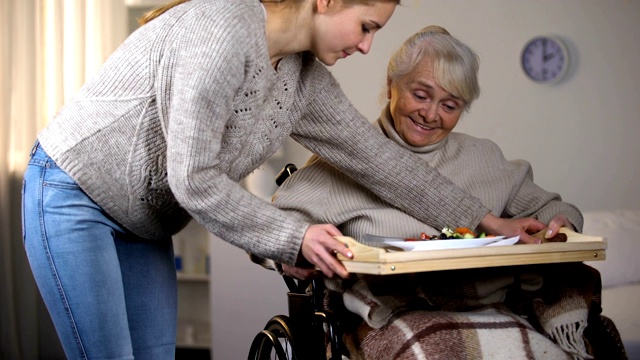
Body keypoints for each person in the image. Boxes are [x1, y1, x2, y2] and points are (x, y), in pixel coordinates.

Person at [21, 0, 552, 358]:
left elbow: (380, 161)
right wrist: (295, 236)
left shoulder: (303, 77)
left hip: (144, 225)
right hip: (73, 194)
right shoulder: (222, 29)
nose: (368, 46)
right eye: (367, 25)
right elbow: (194, 179)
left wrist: (486, 220)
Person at [268, 26, 624, 359]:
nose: (430, 114)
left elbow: (555, 210)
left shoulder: (484, 158)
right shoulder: (341, 161)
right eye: (420, 95)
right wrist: (294, 248)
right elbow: (276, 228)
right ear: (392, 86)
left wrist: (558, 224)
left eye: (449, 105)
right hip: (387, 313)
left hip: (488, 303)